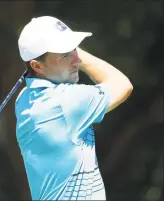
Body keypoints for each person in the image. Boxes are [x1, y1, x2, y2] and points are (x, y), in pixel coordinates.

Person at [15, 16, 133, 200]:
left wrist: (67, 50)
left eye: (74, 50)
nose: (76, 60)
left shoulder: (24, 99)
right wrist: (82, 55)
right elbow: (123, 85)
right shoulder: (67, 102)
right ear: (37, 66)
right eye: (65, 55)